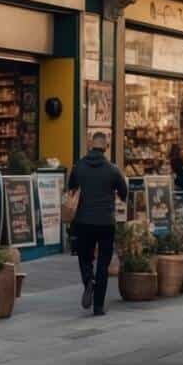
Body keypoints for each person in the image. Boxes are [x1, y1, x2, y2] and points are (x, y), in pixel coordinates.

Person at [67, 131, 128, 316]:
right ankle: (99, 305)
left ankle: (88, 281)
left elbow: (71, 188)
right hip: (106, 223)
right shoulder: (112, 169)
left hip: (83, 221)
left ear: (90, 146)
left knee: (84, 257)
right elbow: (124, 192)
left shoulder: (79, 166)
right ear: (106, 147)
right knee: (103, 261)